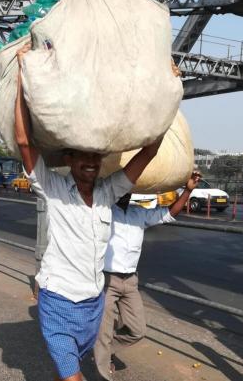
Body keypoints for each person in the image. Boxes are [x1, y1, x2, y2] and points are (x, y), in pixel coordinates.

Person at [14, 43, 163, 381]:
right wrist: (23, 76)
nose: (91, 163)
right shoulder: (52, 188)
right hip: (57, 300)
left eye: (96, 157)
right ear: (68, 158)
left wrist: (166, 91)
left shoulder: (109, 192)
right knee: (73, 376)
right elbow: (25, 143)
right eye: (83, 156)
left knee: (70, 370)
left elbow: (148, 153)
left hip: (93, 303)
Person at [93, 173, 201, 380]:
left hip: (130, 281)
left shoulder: (139, 214)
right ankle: (102, 369)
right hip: (106, 280)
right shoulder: (102, 211)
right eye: (120, 189)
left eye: (128, 190)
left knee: (137, 330)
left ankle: (105, 350)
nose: (124, 194)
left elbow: (170, 213)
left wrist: (188, 190)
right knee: (103, 332)